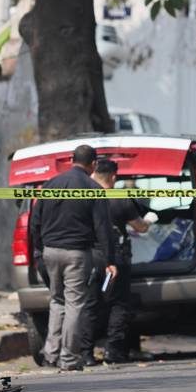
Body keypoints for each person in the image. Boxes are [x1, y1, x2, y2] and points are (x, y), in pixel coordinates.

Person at [30, 145, 117, 371]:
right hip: (77, 253)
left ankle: (50, 356)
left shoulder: (51, 184)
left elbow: (34, 221)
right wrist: (109, 260)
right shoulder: (92, 188)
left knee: (57, 301)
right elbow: (103, 228)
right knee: (74, 303)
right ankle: (68, 358)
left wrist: (39, 249)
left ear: (71, 160)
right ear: (94, 164)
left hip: (50, 252)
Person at [81, 160, 157, 365]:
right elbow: (140, 227)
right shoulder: (119, 199)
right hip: (116, 256)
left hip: (89, 256)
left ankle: (86, 354)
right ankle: (112, 352)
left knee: (90, 304)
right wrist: (150, 219)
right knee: (119, 303)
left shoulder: (84, 196)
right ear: (114, 177)